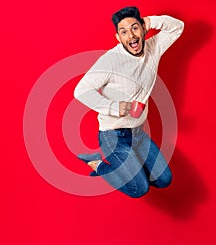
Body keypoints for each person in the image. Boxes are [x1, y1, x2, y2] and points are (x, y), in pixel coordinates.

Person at [74, 6, 184, 198]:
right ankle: (97, 164)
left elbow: (178, 27)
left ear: (143, 29)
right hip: (113, 137)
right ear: (118, 38)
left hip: (137, 134)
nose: (131, 36)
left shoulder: (153, 48)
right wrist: (114, 107)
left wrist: (150, 21)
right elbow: (80, 90)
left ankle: (131, 168)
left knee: (164, 179)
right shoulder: (111, 60)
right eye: (123, 32)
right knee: (139, 189)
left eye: (135, 28)